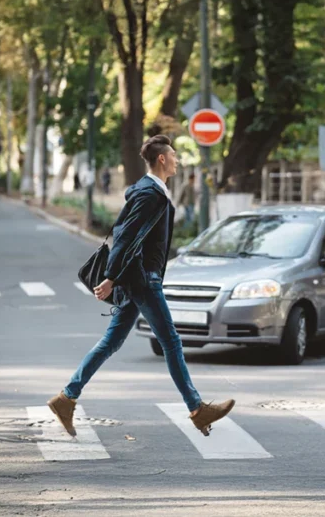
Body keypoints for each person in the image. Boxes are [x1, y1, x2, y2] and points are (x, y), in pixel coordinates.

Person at [48, 135, 235, 437]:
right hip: (143, 279)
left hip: (139, 278)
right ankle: (197, 409)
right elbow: (125, 237)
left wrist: (117, 276)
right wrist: (111, 277)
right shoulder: (150, 194)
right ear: (162, 159)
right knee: (171, 342)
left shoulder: (153, 190)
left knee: (111, 342)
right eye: (173, 154)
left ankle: (66, 398)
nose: (176, 159)